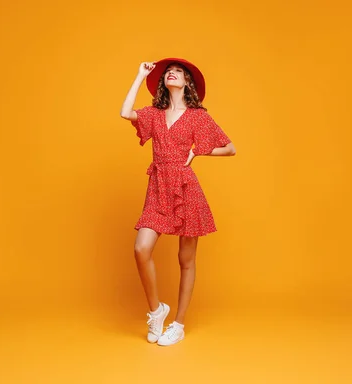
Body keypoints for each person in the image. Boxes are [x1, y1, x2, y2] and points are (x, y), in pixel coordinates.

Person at [120, 58, 236, 346]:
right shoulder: (154, 114)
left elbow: (230, 148)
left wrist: (198, 153)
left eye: (179, 72)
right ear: (163, 82)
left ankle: (179, 324)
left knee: (186, 260)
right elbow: (124, 113)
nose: (172, 73)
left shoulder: (197, 116)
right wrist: (138, 76)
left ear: (187, 82)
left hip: (185, 188)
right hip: (158, 187)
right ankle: (157, 310)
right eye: (169, 71)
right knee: (141, 248)